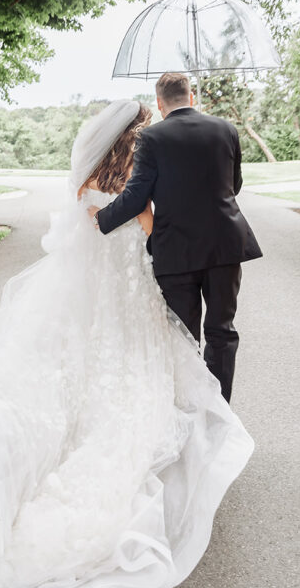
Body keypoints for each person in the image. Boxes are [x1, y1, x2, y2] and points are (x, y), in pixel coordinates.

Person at [0, 99, 253, 588]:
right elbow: (149, 229)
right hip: (132, 296)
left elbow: (77, 239)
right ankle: (206, 414)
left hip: (92, 304)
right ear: (136, 138)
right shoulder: (140, 180)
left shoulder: (84, 185)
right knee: (183, 346)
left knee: (82, 362)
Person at [89, 72, 262, 404]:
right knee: (222, 332)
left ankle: (189, 410)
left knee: (185, 337)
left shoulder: (151, 138)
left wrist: (102, 218)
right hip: (225, 246)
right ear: (191, 95)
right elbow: (234, 186)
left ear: (160, 102)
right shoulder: (226, 129)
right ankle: (219, 411)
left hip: (177, 251)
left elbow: (137, 197)